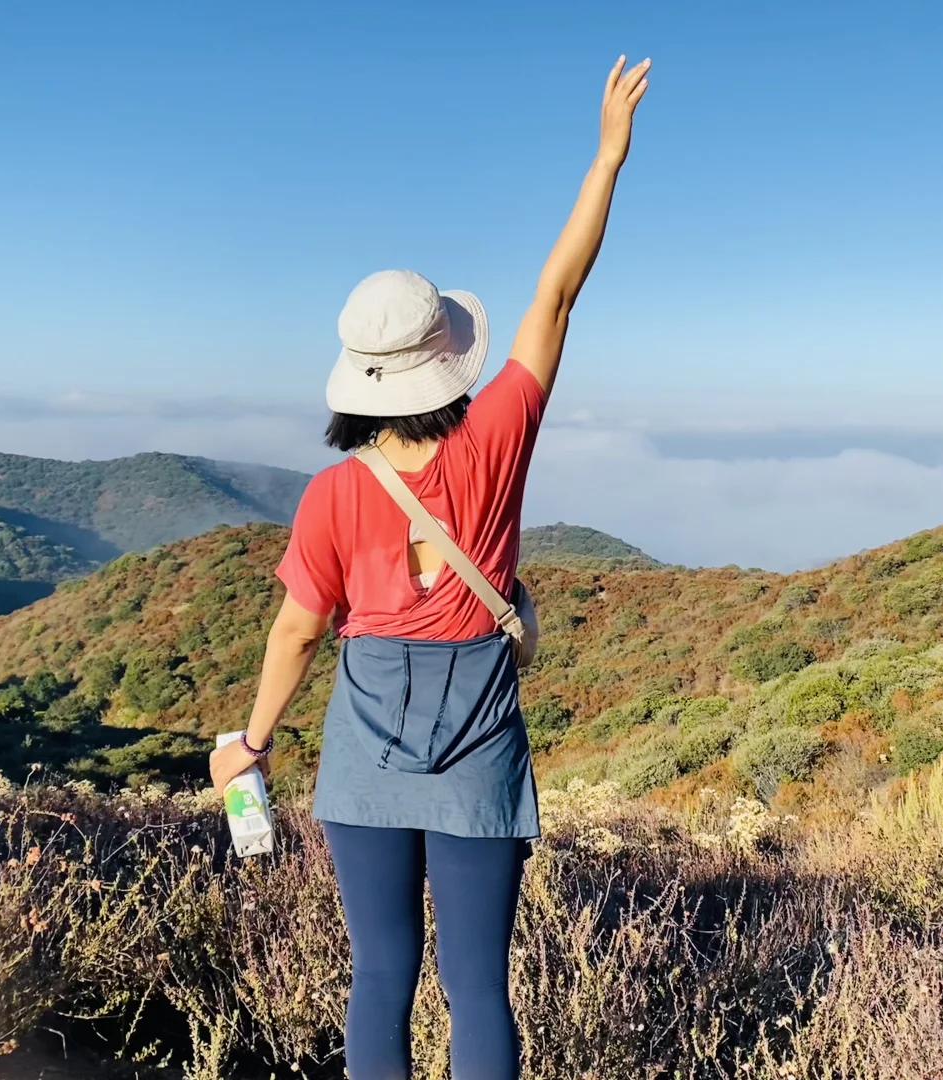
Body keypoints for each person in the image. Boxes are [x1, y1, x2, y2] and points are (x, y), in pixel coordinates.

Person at [210, 54, 651, 1080]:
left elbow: (296, 631)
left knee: (380, 980)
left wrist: (252, 743)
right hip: (480, 753)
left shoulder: (329, 495)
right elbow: (558, 292)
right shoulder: (496, 434)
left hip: (363, 759)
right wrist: (608, 155)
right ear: (445, 358)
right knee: (478, 987)